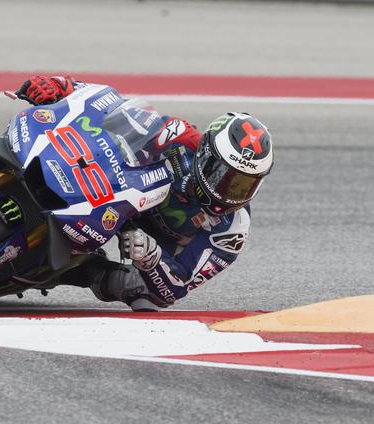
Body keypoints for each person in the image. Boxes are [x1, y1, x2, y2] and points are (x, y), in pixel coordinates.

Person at [17, 75, 274, 311]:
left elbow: (176, 289)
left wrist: (152, 258)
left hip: (142, 240)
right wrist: (64, 87)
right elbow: (112, 110)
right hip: (114, 193)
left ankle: (60, 271)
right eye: (223, 174)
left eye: (243, 183)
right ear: (206, 152)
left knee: (136, 290)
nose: (229, 190)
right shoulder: (180, 136)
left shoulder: (233, 229)